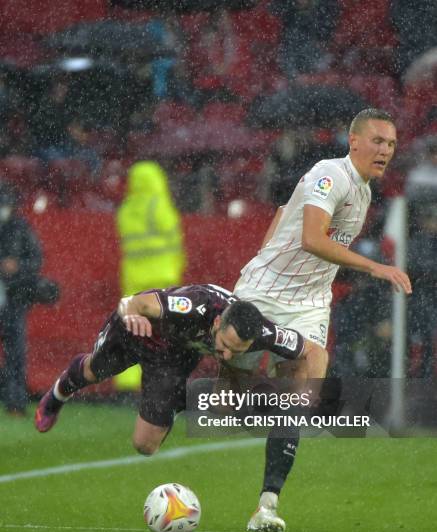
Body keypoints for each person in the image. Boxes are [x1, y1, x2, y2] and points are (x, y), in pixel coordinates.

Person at [227, 108, 412, 532]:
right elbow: (312, 239)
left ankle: (267, 506)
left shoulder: (364, 192)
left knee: (302, 392)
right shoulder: (330, 174)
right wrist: (375, 268)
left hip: (308, 303)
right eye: (378, 141)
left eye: (391, 144)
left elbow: (282, 209)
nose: (386, 150)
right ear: (354, 141)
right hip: (263, 293)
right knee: (229, 395)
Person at [35, 283, 320, 453]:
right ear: (218, 323)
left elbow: (310, 349)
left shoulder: (264, 333)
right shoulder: (195, 306)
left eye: (237, 350)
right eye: (224, 344)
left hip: (173, 357)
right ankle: (58, 394)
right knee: (92, 372)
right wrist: (133, 314)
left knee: (146, 446)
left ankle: (176, 401)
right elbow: (131, 302)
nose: (227, 353)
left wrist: (311, 391)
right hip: (139, 331)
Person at [115, 161, 186, 391]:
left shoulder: (126, 208)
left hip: (134, 278)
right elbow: (174, 237)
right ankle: (160, 380)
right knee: (162, 334)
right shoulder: (159, 205)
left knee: (134, 330)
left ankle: (128, 382)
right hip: (161, 277)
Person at [0, 183, 42, 416]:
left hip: (14, 298)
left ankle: (15, 403)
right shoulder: (19, 228)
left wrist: (17, 267)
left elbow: (35, 260)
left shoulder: (20, 228)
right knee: (14, 352)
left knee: (15, 353)